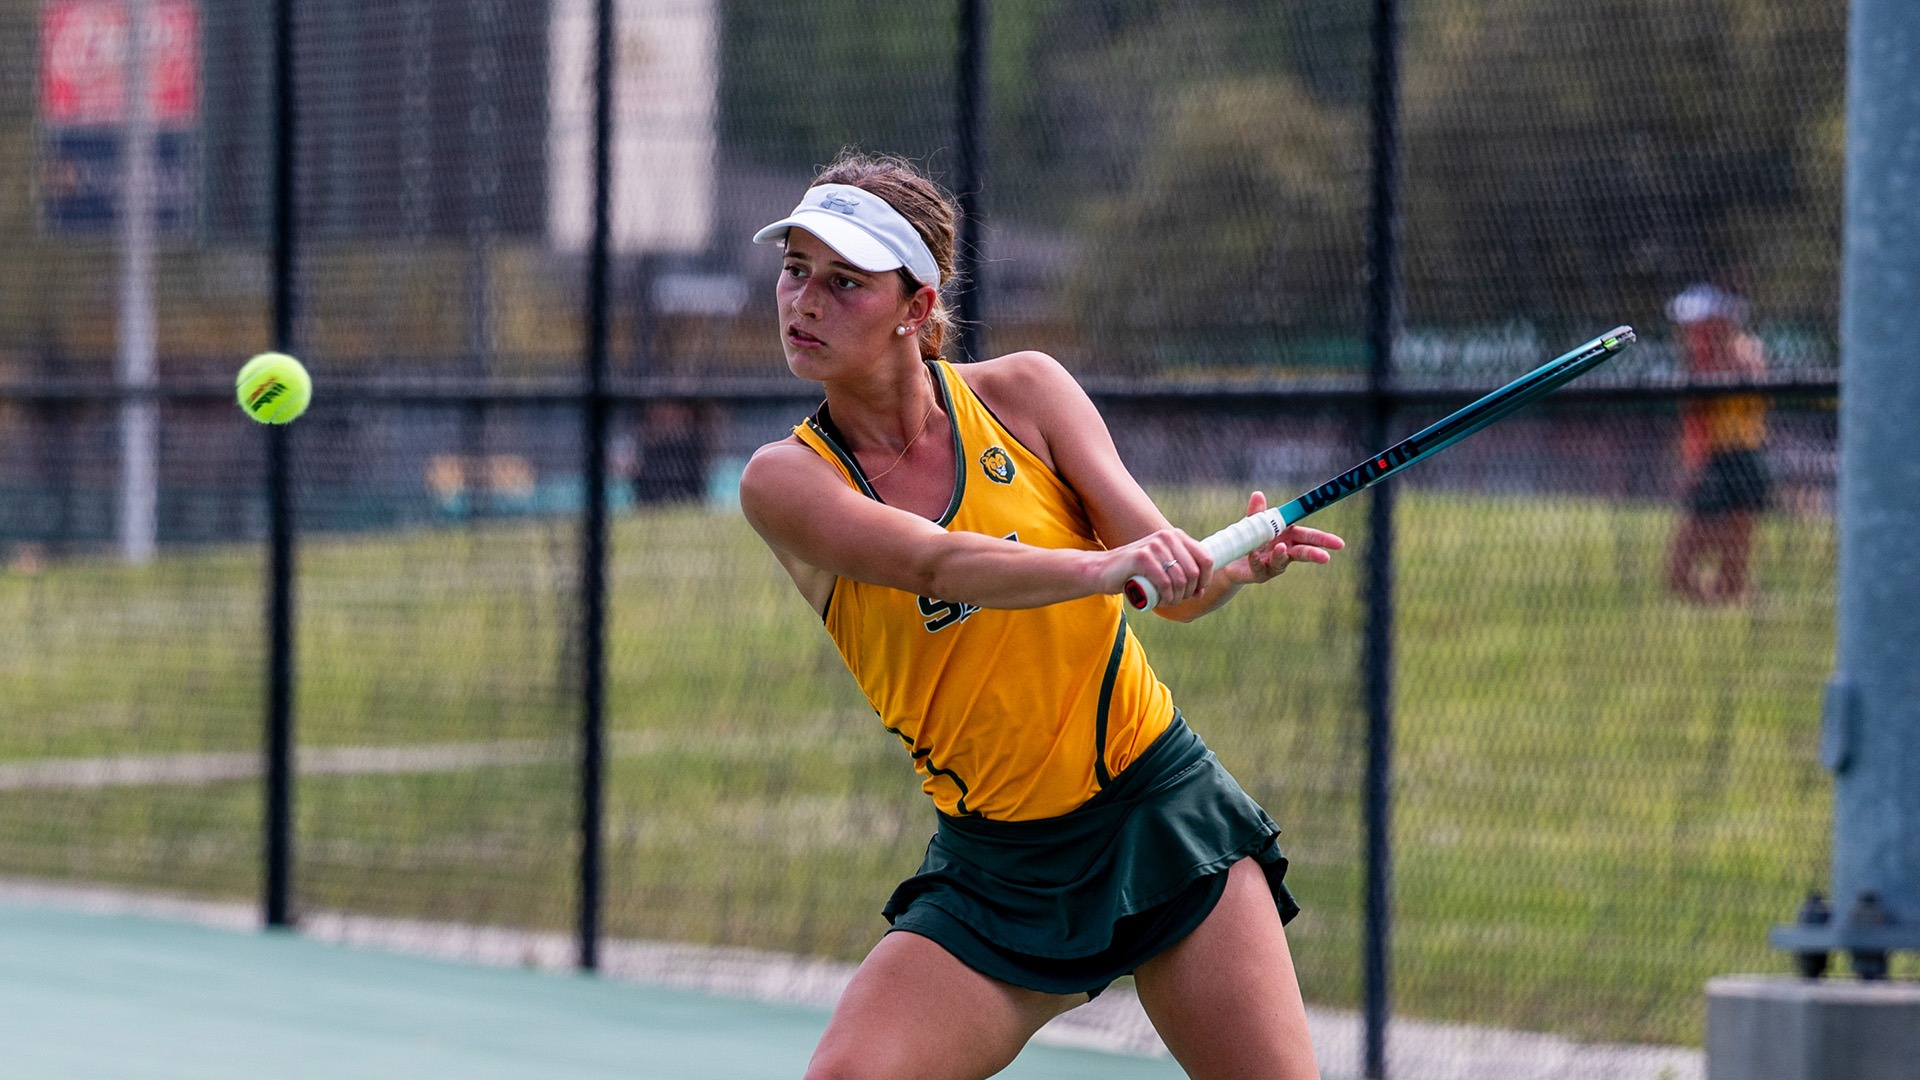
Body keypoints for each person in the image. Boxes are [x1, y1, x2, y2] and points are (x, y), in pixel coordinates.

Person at [737, 151, 1339, 1080]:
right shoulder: (785, 481)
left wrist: (1227, 568)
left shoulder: (1024, 395)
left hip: (1159, 811)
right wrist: (1107, 568)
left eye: (844, 281)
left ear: (916, 308)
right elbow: (936, 559)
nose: (803, 301)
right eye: (795, 270)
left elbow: (1170, 586)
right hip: (996, 871)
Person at [1665, 280, 1770, 605]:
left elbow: (1752, 386)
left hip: (1741, 456)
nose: (1687, 334)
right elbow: (1694, 426)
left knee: (1732, 571)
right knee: (1679, 574)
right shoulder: (1698, 362)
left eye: (1696, 326)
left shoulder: (1744, 354)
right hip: (1715, 459)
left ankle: (1737, 600)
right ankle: (1725, 601)